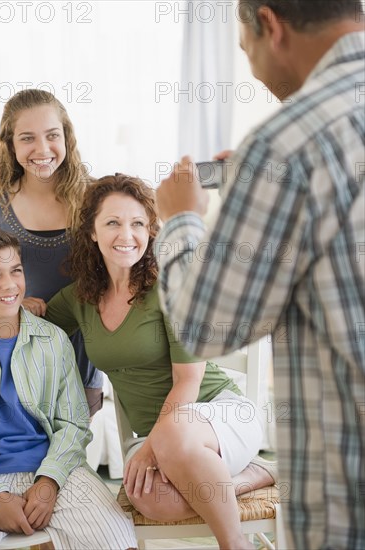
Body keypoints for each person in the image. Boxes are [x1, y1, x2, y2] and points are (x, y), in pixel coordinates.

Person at [154, 1, 365, 549]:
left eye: (242, 45)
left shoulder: (285, 143)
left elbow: (205, 327)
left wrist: (181, 219)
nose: (246, 60)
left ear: (269, 25)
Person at [35, 174, 277, 550]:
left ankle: (234, 545)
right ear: (93, 232)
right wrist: (22, 304)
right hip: (157, 435)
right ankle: (255, 475)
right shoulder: (79, 298)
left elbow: (188, 383)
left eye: (137, 223)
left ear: (150, 230)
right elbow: (37, 330)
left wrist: (153, 446)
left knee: (175, 437)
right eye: (113, 222)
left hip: (215, 415)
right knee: (151, 500)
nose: (126, 234)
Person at [0, 227, 137, 550]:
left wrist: (48, 482)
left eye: (16, 271)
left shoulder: (53, 340)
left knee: (117, 538)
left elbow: (74, 424)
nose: (10, 285)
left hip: (55, 469)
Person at [0, 89, 103, 417]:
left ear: (67, 138)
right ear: (10, 144)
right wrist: (15, 302)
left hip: (84, 351)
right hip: (18, 352)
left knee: (71, 447)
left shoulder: (95, 199)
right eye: (27, 138)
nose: (42, 150)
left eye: (52, 135)